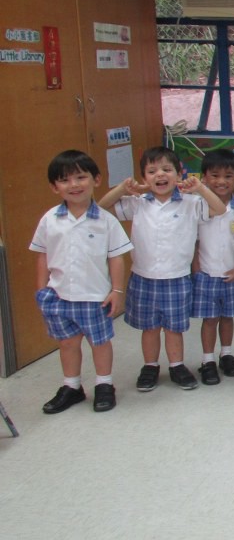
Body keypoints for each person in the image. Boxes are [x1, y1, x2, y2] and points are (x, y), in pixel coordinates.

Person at [98, 146, 226, 392]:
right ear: (144, 177)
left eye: (167, 169)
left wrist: (200, 188)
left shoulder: (190, 202)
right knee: (150, 327)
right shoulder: (137, 203)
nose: (160, 175)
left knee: (174, 328)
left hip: (177, 277)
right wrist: (123, 189)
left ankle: (177, 366)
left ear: (179, 173)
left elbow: (219, 209)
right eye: (152, 171)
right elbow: (102, 208)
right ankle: (150, 366)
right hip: (143, 277)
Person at [30, 150, 133, 413]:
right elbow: (42, 255)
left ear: (96, 180)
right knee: (67, 343)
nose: (74, 185)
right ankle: (72, 387)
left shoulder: (106, 221)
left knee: (99, 343)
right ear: (54, 187)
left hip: (95, 297)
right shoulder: (50, 219)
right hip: (59, 296)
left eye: (80, 177)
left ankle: (104, 384)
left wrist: (117, 290)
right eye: (64, 180)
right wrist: (41, 290)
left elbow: (116, 258)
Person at [192, 149, 234, 385]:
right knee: (209, 319)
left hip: (231, 275)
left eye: (228, 176)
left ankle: (226, 354)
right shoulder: (197, 205)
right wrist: (196, 269)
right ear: (204, 177)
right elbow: (194, 241)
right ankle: (207, 360)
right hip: (206, 274)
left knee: (227, 317)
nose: (221, 181)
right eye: (214, 175)